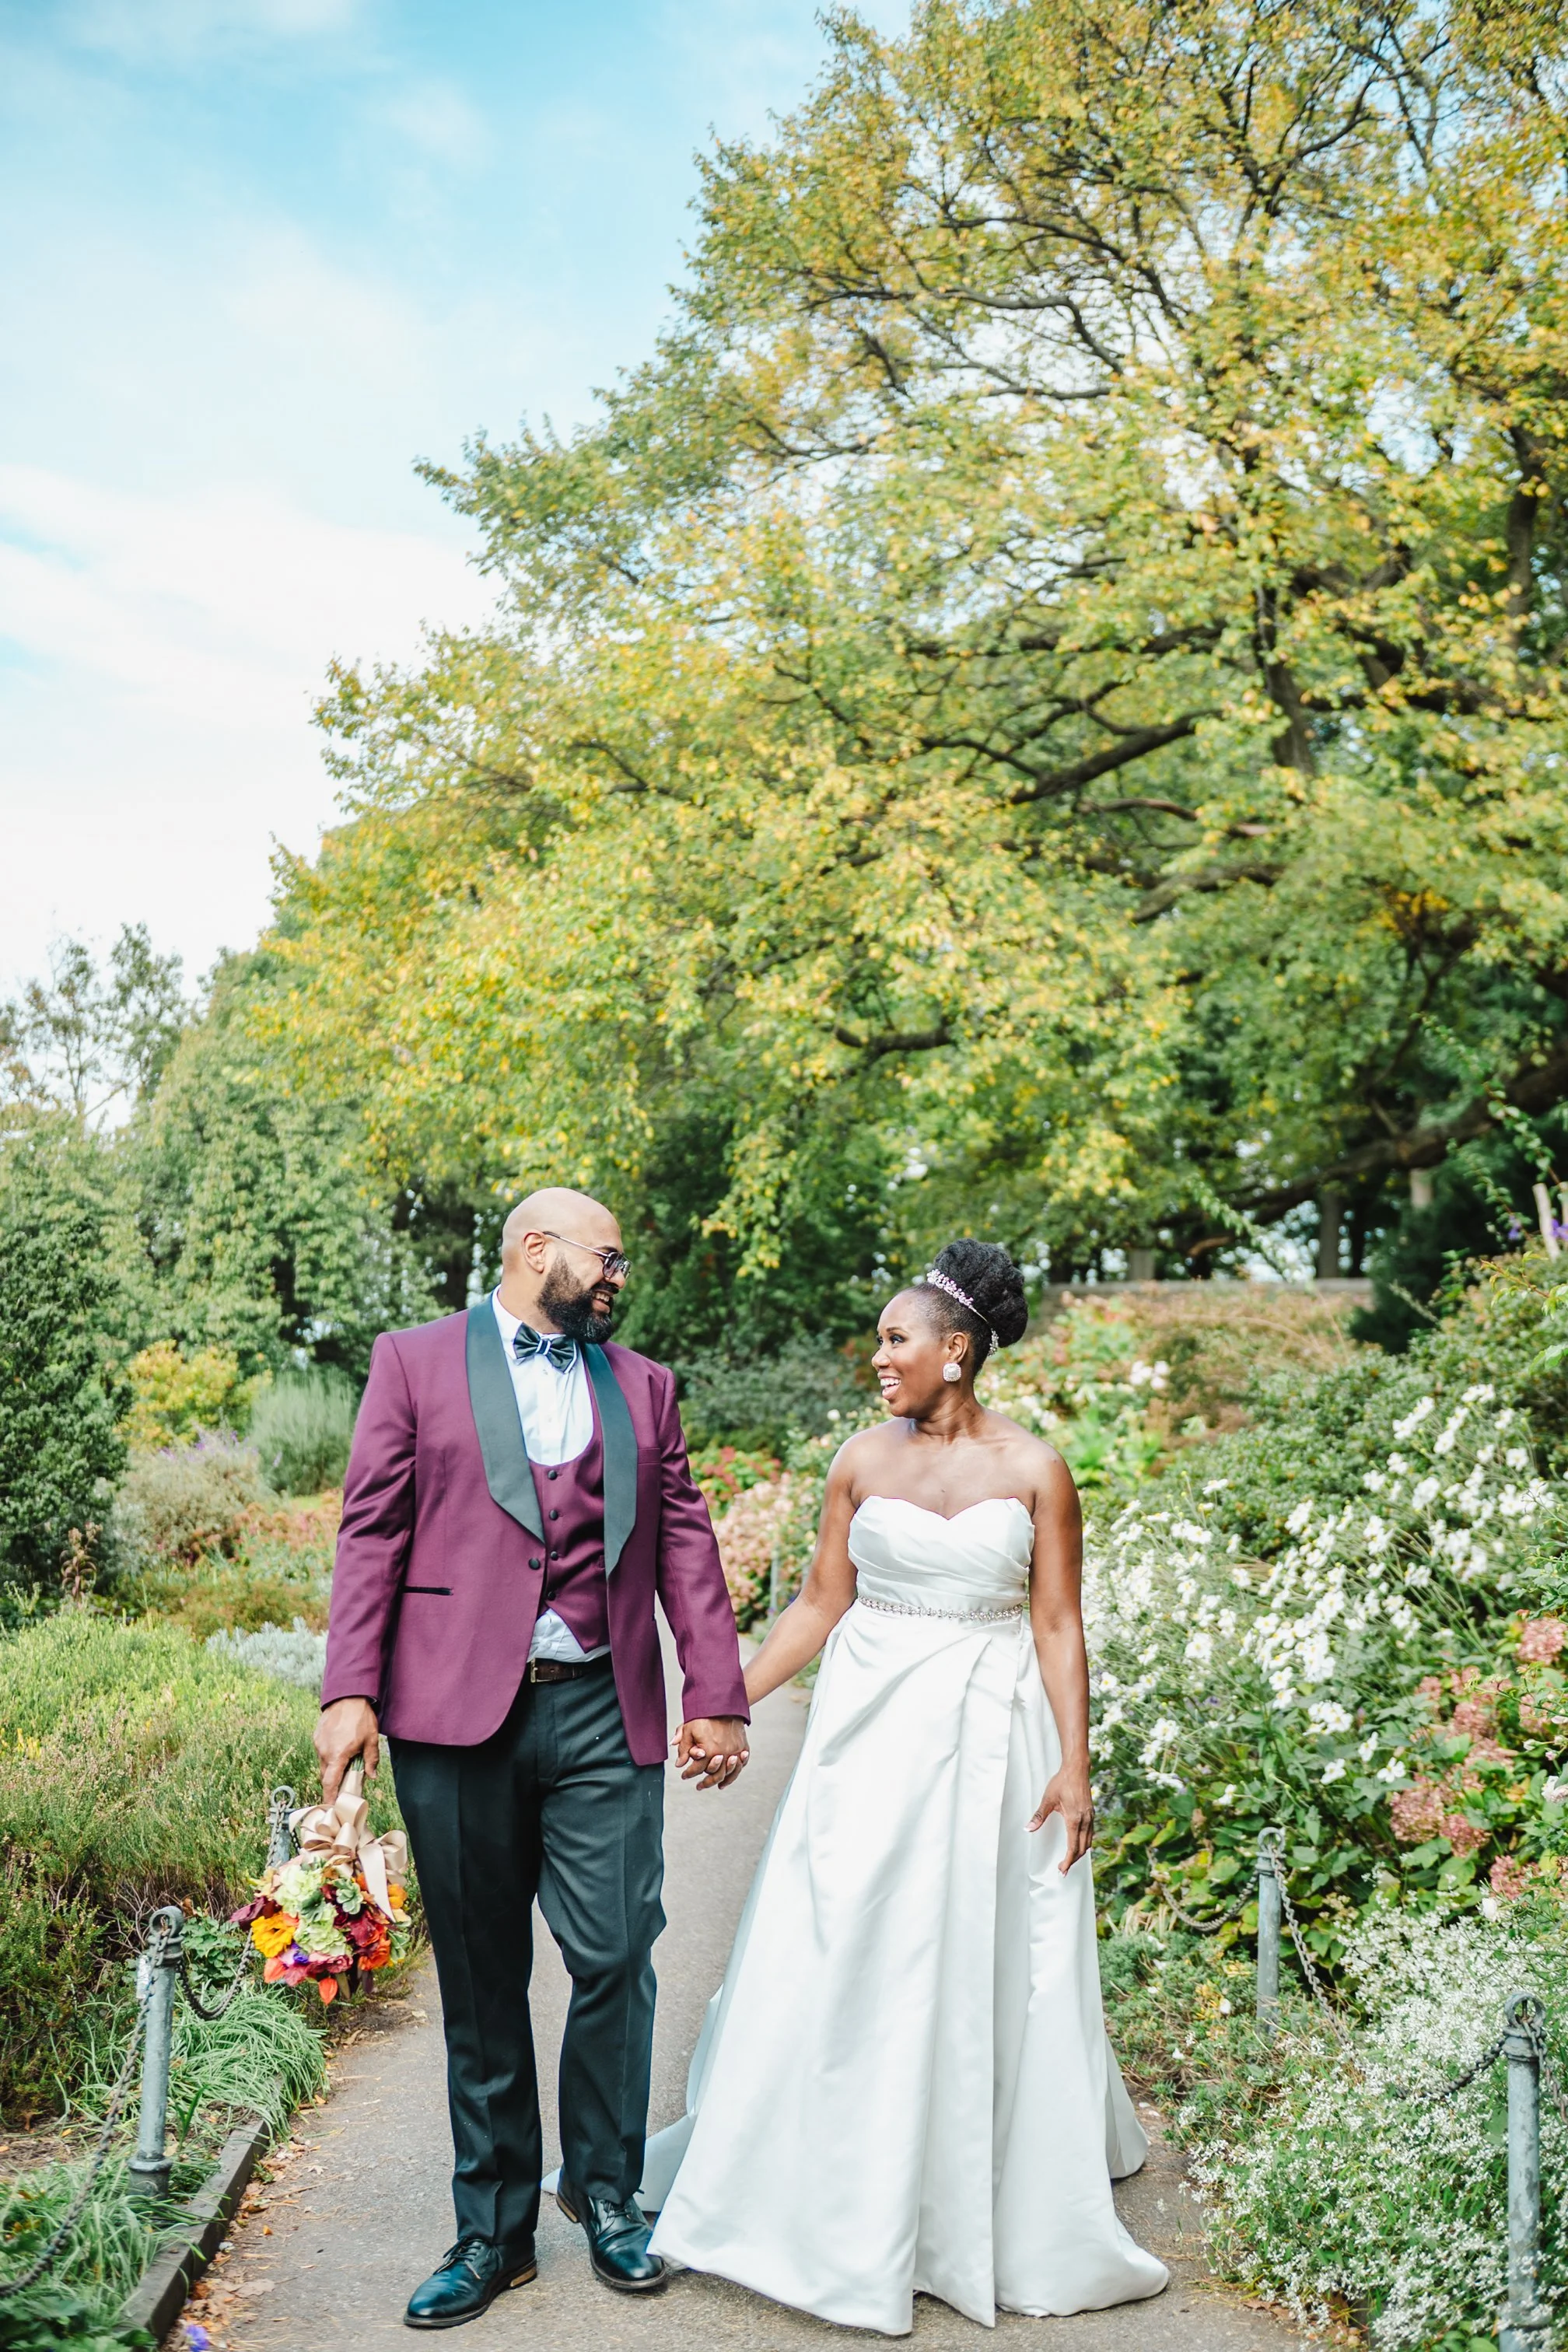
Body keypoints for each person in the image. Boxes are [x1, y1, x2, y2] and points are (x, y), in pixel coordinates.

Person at [643, 1238, 1169, 2335]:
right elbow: (817, 1606)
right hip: (870, 1727)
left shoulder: (1036, 1471)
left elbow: (1059, 1625)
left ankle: (964, 2192)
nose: (878, 1358)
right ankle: (824, 2176)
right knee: (842, 1928)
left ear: (958, 1351)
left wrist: (1076, 1768)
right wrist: (722, 1702)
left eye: (896, 1339)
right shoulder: (857, 1461)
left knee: (977, 1943)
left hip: (994, 1734)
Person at [316, 1188, 751, 2331]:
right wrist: (350, 1689)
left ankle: (606, 2197)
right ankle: (492, 2232)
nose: (619, 1279)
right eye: (606, 1259)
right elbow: (373, 1529)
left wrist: (716, 1692)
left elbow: (688, 1543)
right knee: (481, 1977)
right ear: (535, 1249)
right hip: (455, 1718)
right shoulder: (412, 1363)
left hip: (603, 1708)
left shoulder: (645, 1386)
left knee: (616, 1954)